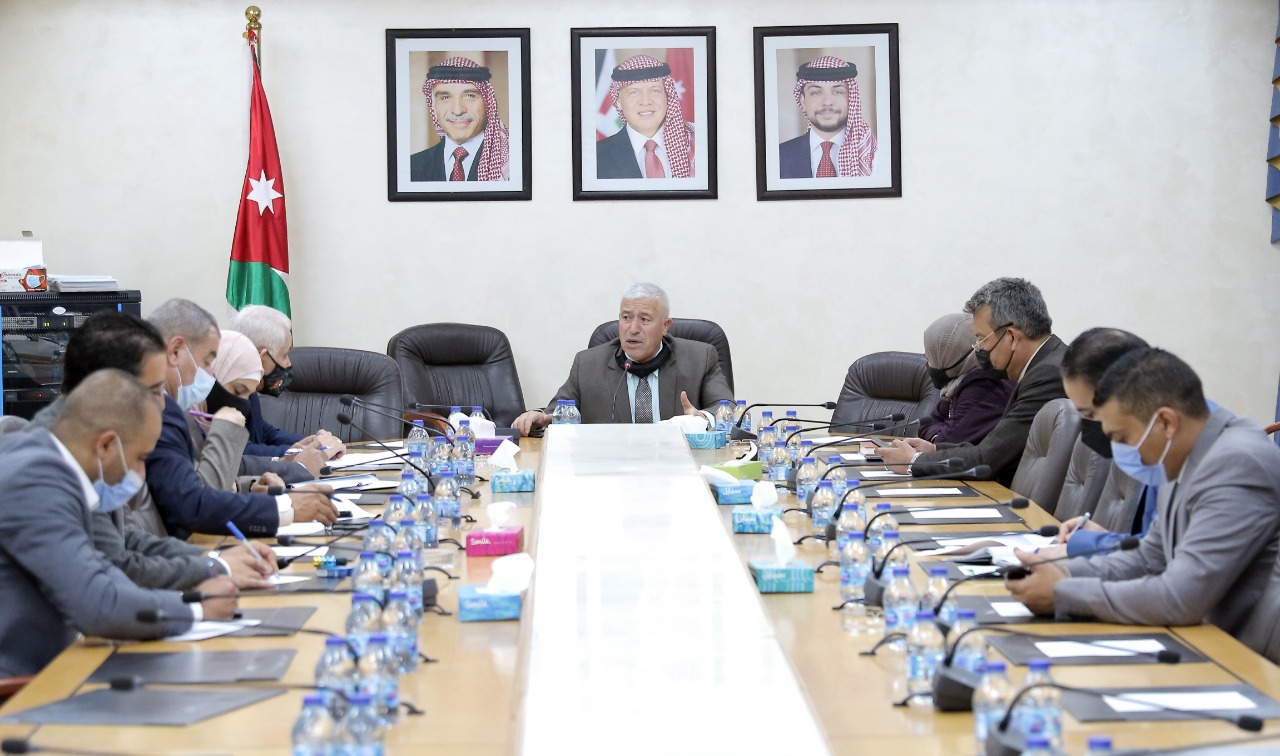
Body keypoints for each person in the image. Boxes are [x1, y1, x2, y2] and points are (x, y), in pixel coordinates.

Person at [1005, 348, 1280, 639]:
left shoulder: (1238, 463)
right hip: (1196, 636)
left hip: (1240, 655)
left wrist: (1064, 593)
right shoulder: (1187, 451)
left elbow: (1181, 597)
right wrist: (1064, 572)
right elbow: (1150, 557)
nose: (1119, 451)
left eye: (1122, 438)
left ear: (1166, 423)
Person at [0, 369, 239, 677]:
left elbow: (106, 572)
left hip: (60, 667)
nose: (141, 474)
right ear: (105, 445)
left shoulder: (51, 466)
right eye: (140, 458)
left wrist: (204, 577)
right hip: (22, 687)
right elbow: (97, 604)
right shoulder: (35, 482)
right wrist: (198, 609)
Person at [27, 313, 277, 591]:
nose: (162, 405)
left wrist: (214, 561)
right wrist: (213, 574)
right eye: (154, 390)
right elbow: (113, 576)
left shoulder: (89, 437)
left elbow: (126, 539)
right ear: (111, 387)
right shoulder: (49, 458)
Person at [142, 299, 337, 539]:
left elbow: (193, 486)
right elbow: (194, 504)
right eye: (207, 362)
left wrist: (249, 487)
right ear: (175, 352)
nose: (211, 375)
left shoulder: (173, 409)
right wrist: (283, 507)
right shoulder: (160, 413)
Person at [878, 277, 1068, 484]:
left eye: (981, 339)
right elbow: (990, 448)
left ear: (1011, 338)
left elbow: (988, 459)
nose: (978, 349)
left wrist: (915, 461)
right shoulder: (1047, 364)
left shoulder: (1047, 376)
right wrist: (934, 450)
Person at [512, 283, 733, 434]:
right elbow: (556, 411)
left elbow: (727, 408)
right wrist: (539, 417)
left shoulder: (700, 358)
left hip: (680, 471)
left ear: (665, 326)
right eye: (626, 318)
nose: (633, 329)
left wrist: (702, 419)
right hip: (611, 473)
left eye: (644, 319)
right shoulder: (588, 365)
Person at [1021, 328, 1153, 561]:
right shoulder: (1150, 449)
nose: (1087, 427)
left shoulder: (1194, 462)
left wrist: (1061, 573)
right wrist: (1096, 540)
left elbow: (1161, 567)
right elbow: (1150, 549)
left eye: (1091, 414)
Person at [228, 304, 344, 462]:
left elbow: (264, 432)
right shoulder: (221, 391)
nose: (288, 363)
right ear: (262, 357)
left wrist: (312, 443)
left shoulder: (246, 386)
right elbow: (242, 452)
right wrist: (303, 452)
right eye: (284, 355)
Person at [917, 312, 1014, 445]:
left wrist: (936, 436)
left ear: (949, 353)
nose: (927, 360)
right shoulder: (956, 382)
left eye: (930, 355)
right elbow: (928, 422)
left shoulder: (982, 383)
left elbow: (947, 441)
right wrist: (938, 433)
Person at [409, 57, 510, 182]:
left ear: (488, 103)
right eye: (445, 97)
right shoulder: (412, 167)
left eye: (470, 96)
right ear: (434, 108)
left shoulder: (511, 163)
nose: (457, 111)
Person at [596, 54, 695, 180]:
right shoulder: (596, 157)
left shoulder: (696, 144)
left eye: (655, 90)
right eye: (634, 92)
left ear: (668, 97)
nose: (646, 101)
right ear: (619, 101)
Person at [779, 55, 877, 179]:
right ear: (803, 102)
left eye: (838, 92)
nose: (827, 102)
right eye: (816, 92)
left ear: (851, 99)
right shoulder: (778, 156)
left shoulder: (876, 155)